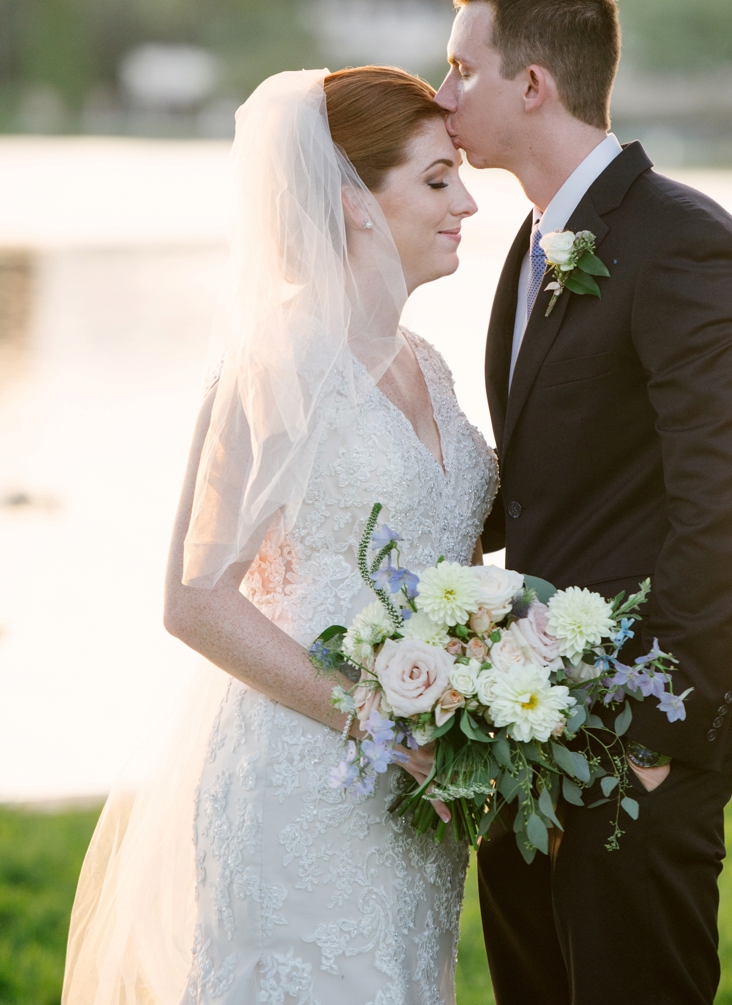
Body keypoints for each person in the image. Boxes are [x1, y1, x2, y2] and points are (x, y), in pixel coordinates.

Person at [63, 66, 498, 1005]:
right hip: (305, 778)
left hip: (416, 799)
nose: (467, 199)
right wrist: (377, 718)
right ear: (351, 201)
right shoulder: (278, 362)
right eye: (435, 180)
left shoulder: (435, 369)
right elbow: (194, 597)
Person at [434, 0, 732, 1005]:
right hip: (527, 715)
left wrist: (659, 734)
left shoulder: (688, 249)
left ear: (533, 86)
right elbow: (560, 476)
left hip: (642, 735)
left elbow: (727, 505)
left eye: (463, 69)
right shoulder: (530, 243)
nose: (444, 96)